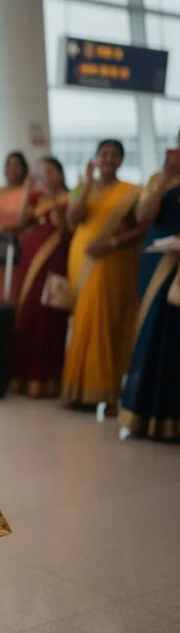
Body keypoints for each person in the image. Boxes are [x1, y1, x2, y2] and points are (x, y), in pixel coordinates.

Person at [61, 140, 146, 410]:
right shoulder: (81, 188)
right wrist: (87, 184)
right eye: (104, 154)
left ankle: (103, 392)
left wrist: (113, 244)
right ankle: (76, 390)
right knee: (82, 321)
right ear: (96, 158)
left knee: (104, 322)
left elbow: (141, 228)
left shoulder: (132, 192)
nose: (109, 159)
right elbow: (72, 221)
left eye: (115, 155)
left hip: (112, 261)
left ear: (121, 160)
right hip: (81, 258)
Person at [118, 136, 180, 440]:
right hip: (158, 263)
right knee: (153, 332)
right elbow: (144, 217)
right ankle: (143, 414)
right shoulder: (160, 178)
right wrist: (166, 177)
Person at [11, 157, 72, 398]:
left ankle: (47, 380)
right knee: (28, 313)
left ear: (59, 173)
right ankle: (22, 378)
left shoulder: (70, 197)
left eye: (49, 171)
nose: (44, 176)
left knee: (50, 316)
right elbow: (20, 222)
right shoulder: (36, 197)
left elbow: (65, 227)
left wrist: (54, 200)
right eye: (40, 172)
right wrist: (28, 191)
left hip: (56, 260)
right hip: (31, 260)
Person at [0, 151, 29, 303]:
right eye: (9, 164)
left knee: (14, 287)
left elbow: (28, 221)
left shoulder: (28, 192)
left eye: (17, 165)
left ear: (23, 169)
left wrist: (7, 229)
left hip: (17, 245)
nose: (13, 169)